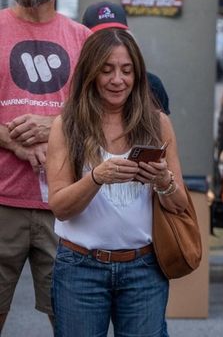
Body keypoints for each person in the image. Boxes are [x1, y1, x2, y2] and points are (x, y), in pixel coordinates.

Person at [45, 28, 187, 336]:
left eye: (126, 70)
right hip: (79, 267)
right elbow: (59, 207)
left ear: (138, 75)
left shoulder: (157, 123)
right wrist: (96, 177)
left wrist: (164, 181)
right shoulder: (67, 124)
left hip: (143, 268)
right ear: (91, 73)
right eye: (106, 70)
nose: (117, 80)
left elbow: (181, 205)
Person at [0, 0, 90, 332]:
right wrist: (12, 141)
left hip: (66, 208)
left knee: (71, 324)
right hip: (2, 202)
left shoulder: (84, 41)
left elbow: (103, 116)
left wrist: (54, 128)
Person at [81, 1, 171, 115]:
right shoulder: (74, 84)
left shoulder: (152, 85)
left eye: (119, 34)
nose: (112, 40)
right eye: (106, 70)